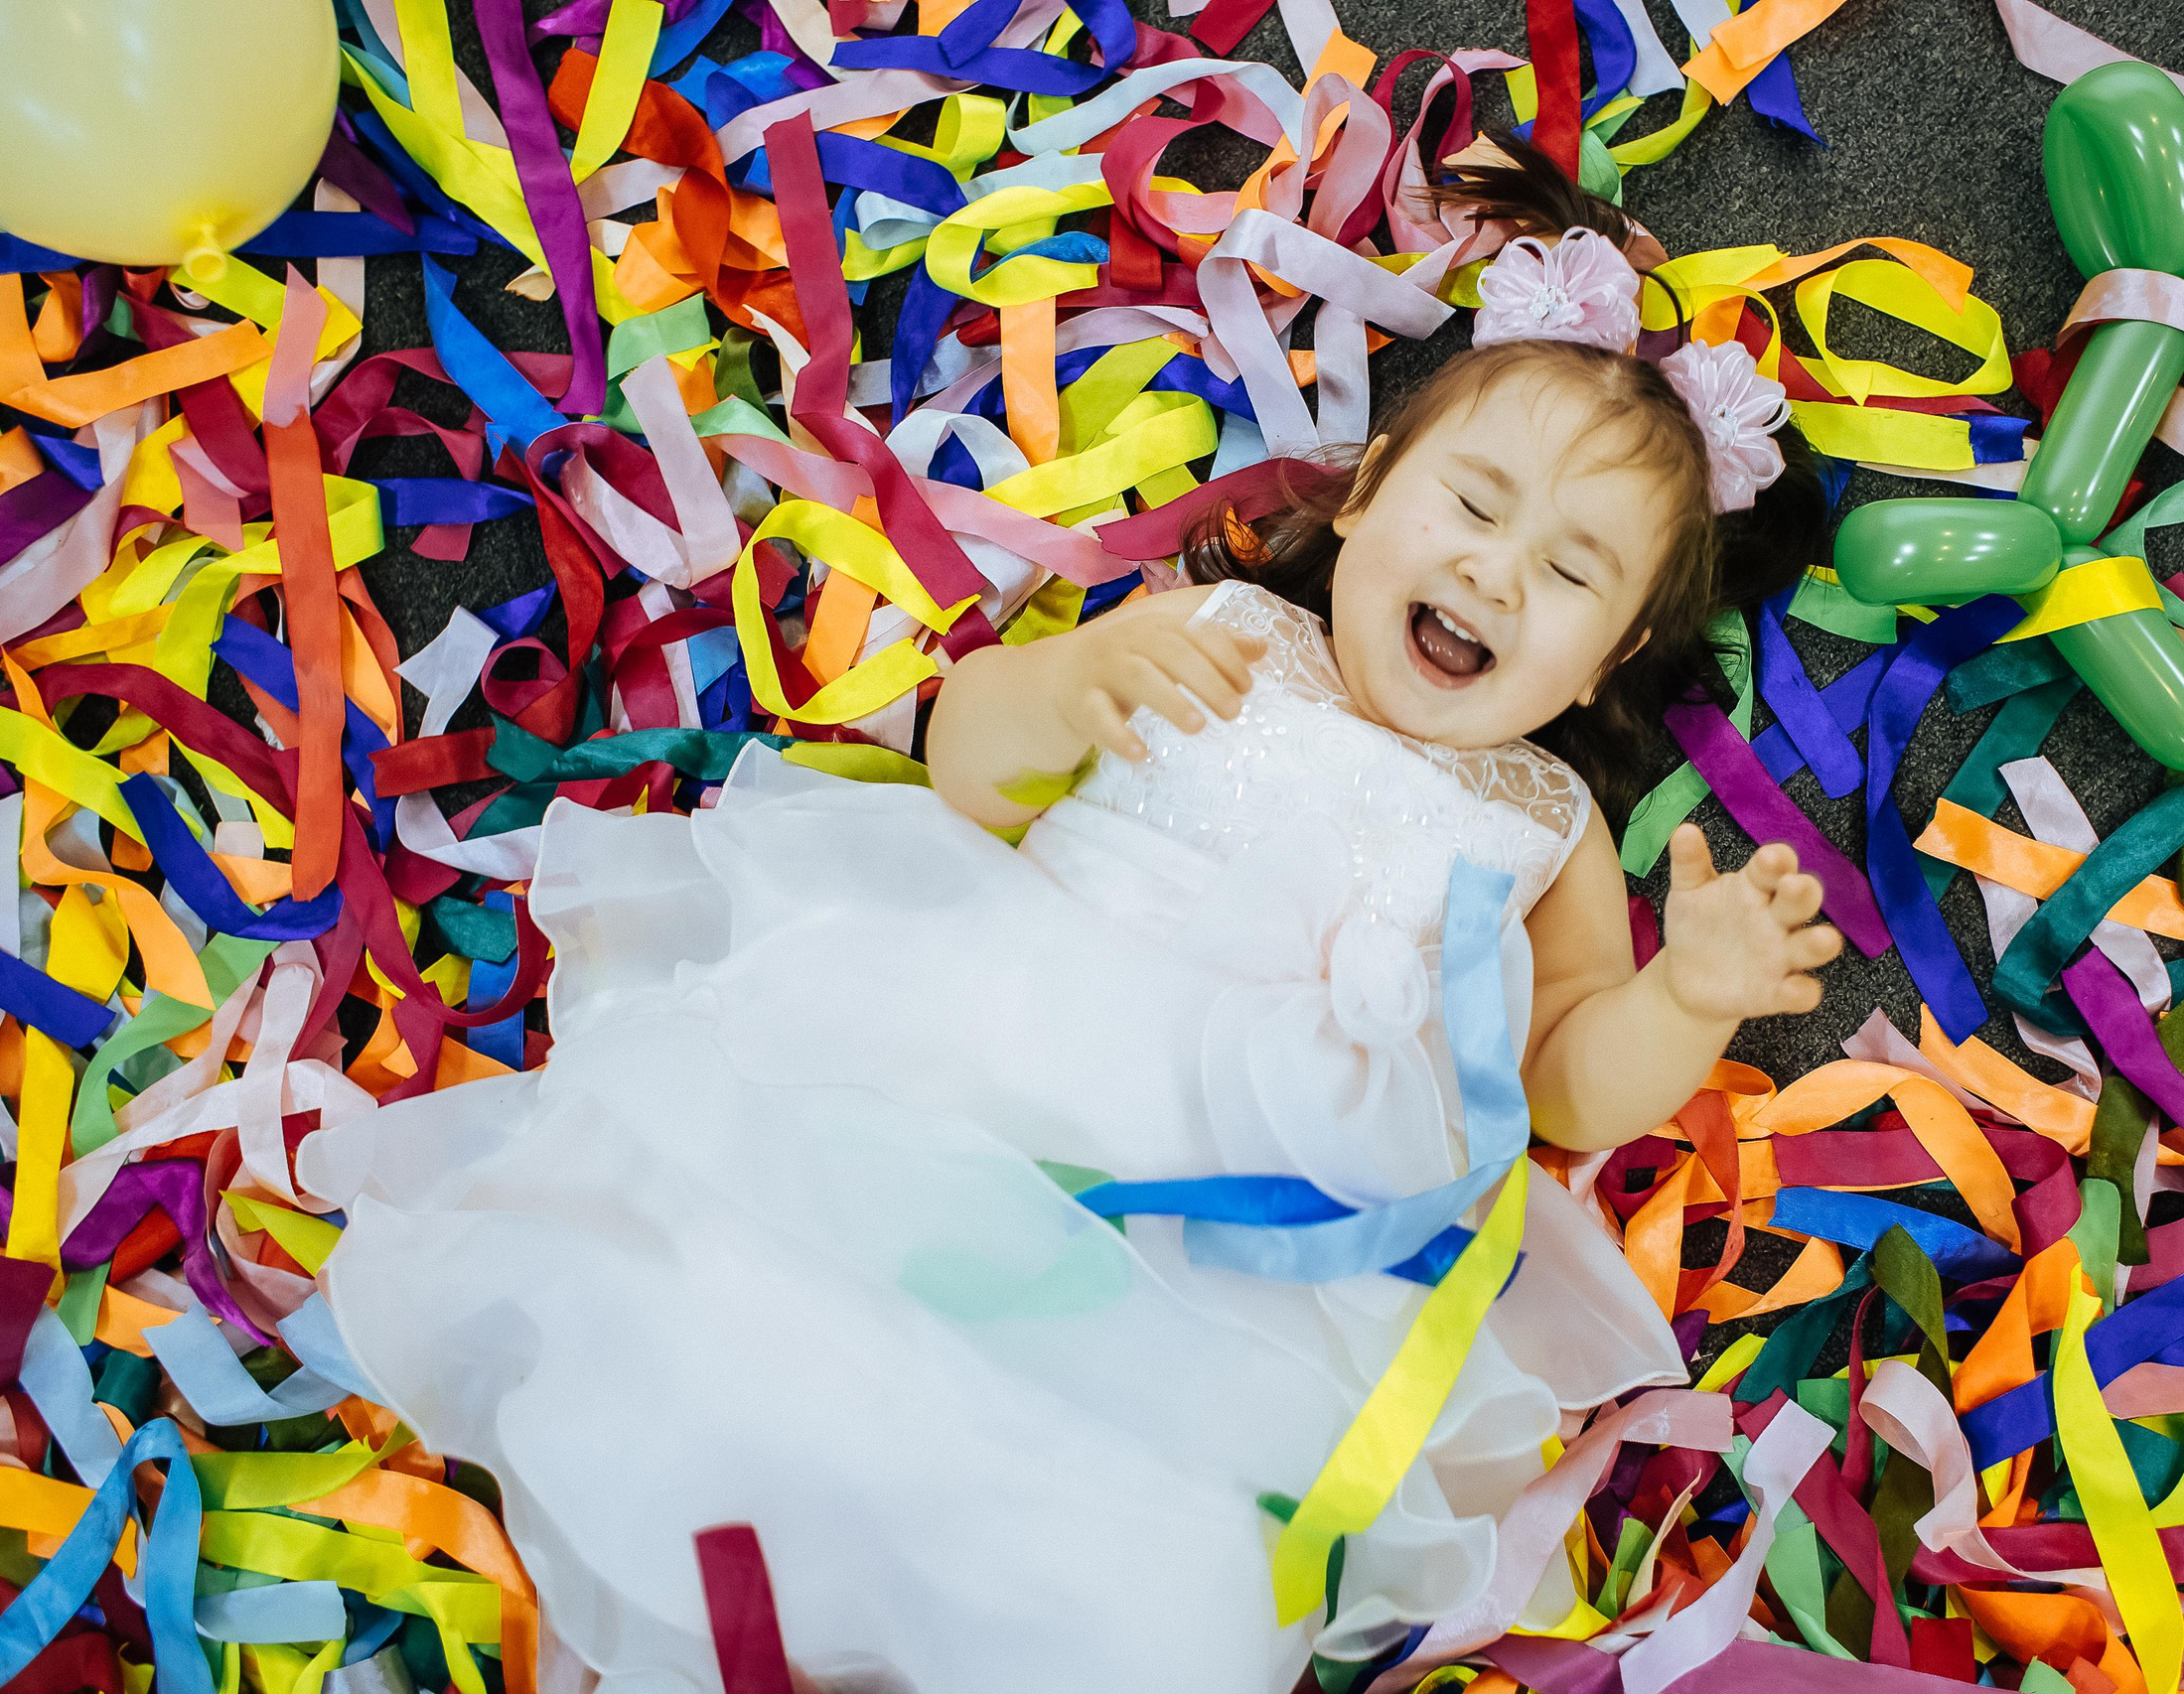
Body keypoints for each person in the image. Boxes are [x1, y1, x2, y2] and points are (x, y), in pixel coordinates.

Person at [302, 135, 1846, 1694]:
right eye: (1472, 502)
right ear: (1369, 496)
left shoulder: (1540, 822)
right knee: (764, 1295)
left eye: (1570, 571)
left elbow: (1565, 1081)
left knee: (1141, 1551)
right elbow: (967, 772)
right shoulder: (1226, 633)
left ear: (1607, 659)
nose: (1496, 572)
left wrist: (1686, 1000)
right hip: (998, 1034)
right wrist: (1061, 685)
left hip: (1255, 1241)